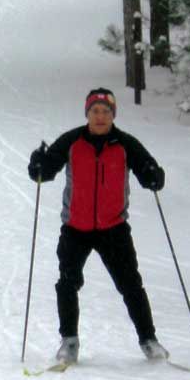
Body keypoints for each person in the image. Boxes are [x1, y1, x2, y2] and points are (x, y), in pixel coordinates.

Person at [27, 88, 168, 365]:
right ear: (87, 114)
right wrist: (38, 166)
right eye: (95, 111)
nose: (100, 116)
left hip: (113, 228)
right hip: (75, 228)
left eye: (105, 111)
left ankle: (149, 340)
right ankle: (69, 342)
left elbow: (151, 175)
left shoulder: (126, 144)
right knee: (67, 283)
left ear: (113, 115)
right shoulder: (72, 141)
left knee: (131, 285)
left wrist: (154, 176)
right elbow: (45, 173)